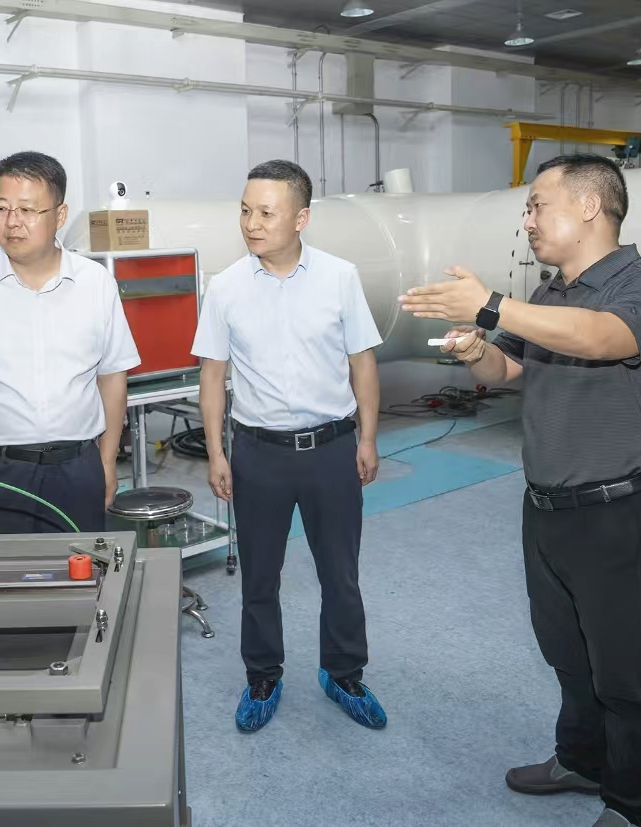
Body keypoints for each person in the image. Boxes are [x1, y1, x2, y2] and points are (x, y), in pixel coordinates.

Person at [399, 154, 641, 827]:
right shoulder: (550, 295)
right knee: (567, 655)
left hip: (621, 511)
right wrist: (475, 348)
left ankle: (631, 805)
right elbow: (507, 368)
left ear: (589, 206)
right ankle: (582, 760)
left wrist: (494, 305)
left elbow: (603, 338)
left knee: (626, 673)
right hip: (548, 509)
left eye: (537, 205)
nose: (527, 220)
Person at [193, 159, 388, 733]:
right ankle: (263, 676)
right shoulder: (225, 287)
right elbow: (212, 375)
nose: (251, 224)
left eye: (266, 213)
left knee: (340, 573)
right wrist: (217, 452)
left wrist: (368, 437)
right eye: (245, 211)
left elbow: (362, 362)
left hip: (332, 449)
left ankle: (344, 673)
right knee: (260, 575)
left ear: (301, 218)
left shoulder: (340, 277)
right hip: (259, 453)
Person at [0, 151, 140, 534]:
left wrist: (106, 461)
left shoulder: (95, 283)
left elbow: (113, 377)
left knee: (82, 570)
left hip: (77, 468)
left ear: (60, 216)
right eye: (1, 209)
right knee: (2, 571)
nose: (12, 222)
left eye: (27, 210)